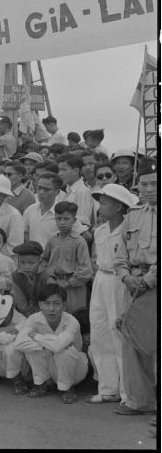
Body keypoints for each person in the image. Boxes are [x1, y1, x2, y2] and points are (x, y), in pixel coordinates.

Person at [113, 158, 157, 416]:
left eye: (155, 184)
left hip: (153, 285)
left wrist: (148, 280)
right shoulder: (132, 216)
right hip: (135, 286)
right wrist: (126, 276)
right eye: (144, 185)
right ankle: (140, 401)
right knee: (133, 343)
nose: (149, 190)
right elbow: (120, 257)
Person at [86, 184, 137, 405]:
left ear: (119, 206)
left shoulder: (129, 230)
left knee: (119, 336)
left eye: (105, 202)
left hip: (120, 281)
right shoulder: (99, 230)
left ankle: (128, 392)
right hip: (101, 279)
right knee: (99, 333)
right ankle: (108, 388)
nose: (101, 206)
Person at [14, 284, 89, 404]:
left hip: (75, 369)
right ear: (40, 304)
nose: (51, 309)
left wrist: (36, 336)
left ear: (64, 305)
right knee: (33, 349)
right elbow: (19, 343)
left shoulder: (72, 321)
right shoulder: (34, 319)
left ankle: (67, 388)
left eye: (56, 303)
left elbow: (58, 346)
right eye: (46, 303)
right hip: (52, 366)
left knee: (65, 351)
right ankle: (43, 383)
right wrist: (47, 345)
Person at [40, 201, 93, 315]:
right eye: (58, 219)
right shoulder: (53, 240)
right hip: (54, 284)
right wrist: (49, 276)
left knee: (73, 316)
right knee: (55, 314)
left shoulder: (79, 242)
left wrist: (69, 283)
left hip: (74, 286)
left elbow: (86, 270)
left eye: (66, 219)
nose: (62, 222)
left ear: (74, 220)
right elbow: (44, 260)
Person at [23, 172, 86, 248]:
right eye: (39, 188)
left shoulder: (64, 212)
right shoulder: (30, 210)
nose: (41, 192)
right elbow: (24, 232)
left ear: (57, 192)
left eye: (46, 189)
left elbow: (85, 236)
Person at [11, 241, 48, 318]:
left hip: (45, 314)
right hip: (25, 315)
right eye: (22, 262)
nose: (26, 266)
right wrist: (31, 317)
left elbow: (49, 302)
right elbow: (21, 303)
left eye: (31, 263)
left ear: (39, 260)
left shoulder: (46, 276)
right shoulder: (16, 276)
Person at [58, 153, 94, 229]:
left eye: (64, 170)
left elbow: (84, 222)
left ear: (76, 171)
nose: (60, 174)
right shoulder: (67, 191)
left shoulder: (83, 191)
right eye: (59, 170)